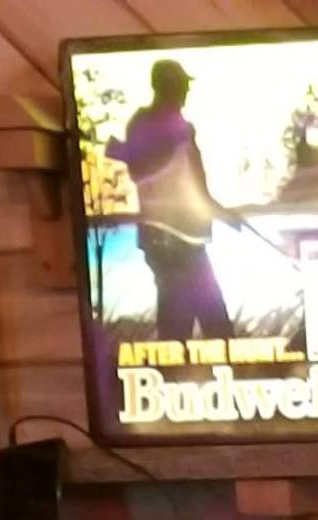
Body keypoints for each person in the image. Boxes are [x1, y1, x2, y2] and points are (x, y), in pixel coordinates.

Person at [109, 57, 231, 344]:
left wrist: (219, 211)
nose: (186, 93)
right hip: (166, 239)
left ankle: (183, 379)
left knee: (204, 319)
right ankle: (176, 378)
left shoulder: (176, 128)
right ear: (168, 87)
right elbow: (140, 171)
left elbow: (195, 184)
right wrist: (177, 141)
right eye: (182, 86)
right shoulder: (149, 124)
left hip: (185, 238)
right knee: (195, 319)